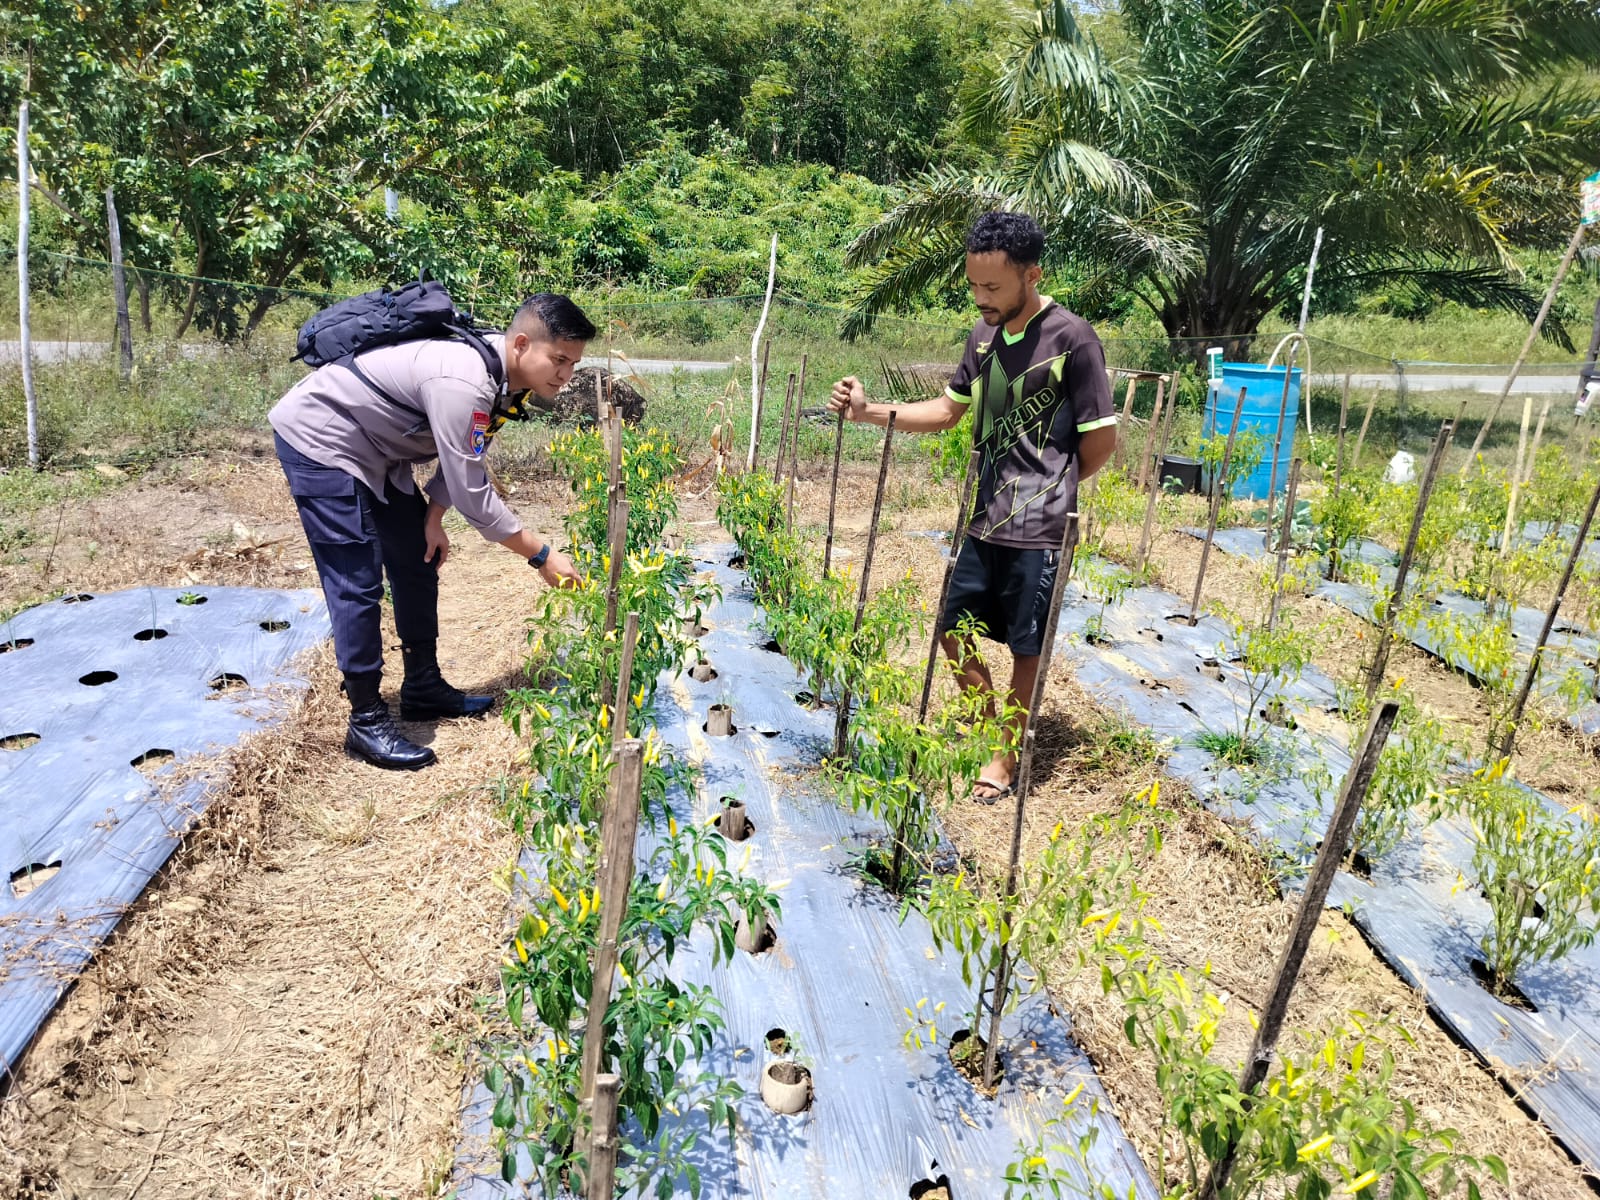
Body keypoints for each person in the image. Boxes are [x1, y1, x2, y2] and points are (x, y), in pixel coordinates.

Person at [829, 211, 1117, 802]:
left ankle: (1005, 756)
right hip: (985, 518)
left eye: (994, 288)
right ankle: (992, 727)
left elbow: (1101, 441)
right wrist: (867, 411)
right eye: (974, 286)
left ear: (1030, 275)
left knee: (1025, 648)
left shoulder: (1072, 339)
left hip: (1040, 528)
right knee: (952, 631)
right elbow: (944, 412)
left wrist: (1054, 489)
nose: (981, 298)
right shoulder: (982, 340)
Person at [270, 292, 592, 770]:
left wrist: (433, 517)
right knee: (357, 580)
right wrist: (542, 555)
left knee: (416, 558)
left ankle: (422, 684)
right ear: (522, 343)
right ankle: (365, 718)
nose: (565, 375)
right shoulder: (463, 379)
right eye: (559, 359)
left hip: (378, 453)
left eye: (574, 363)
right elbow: (472, 490)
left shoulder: (507, 377)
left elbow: (467, 448)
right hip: (324, 441)